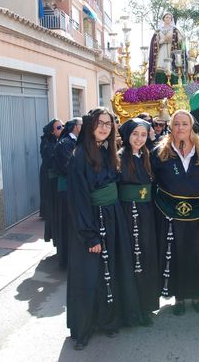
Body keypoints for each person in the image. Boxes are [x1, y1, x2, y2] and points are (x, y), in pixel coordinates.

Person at [66, 108, 140, 350]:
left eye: (108, 124)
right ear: (90, 126)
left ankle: (108, 319)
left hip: (112, 216)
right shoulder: (78, 156)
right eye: (99, 123)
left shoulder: (108, 152)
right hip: (91, 222)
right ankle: (84, 328)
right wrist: (89, 235)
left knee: (111, 270)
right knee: (89, 274)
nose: (104, 127)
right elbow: (78, 199)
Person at [151, 110, 199, 316]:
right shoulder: (160, 151)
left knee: (198, 252)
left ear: (191, 125)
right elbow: (152, 180)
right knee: (176, 254)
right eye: (176, 124)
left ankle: (197, 296)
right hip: (169, 212)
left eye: (184, 124)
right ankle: (179, 297)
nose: (180, 128)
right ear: (171, 126)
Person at [117, 118, 159, 326]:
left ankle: (145, 305)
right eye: (135, 134)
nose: (139, 139)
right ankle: (130, 308)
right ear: (127, 135)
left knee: (146, 257)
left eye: (143, 135)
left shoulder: (147, 156)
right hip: (126, 214)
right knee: (131, 259)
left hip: (146, 215)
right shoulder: (118, 158)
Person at [51, 117, 82, 269]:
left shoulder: (75, 142)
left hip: (73, 188)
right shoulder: (65, 144)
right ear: (75, 127)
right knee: (66, 224)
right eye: (82, 125)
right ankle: (66, 259)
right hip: (66, 189)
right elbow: (66, 167)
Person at [40, 118, 63, 242]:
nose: (62, 129)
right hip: (50, 179)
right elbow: (50, 159)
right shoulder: (47, 143)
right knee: (52, 206)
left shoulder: (60, 141)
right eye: (58, 127)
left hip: (55, 178)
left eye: (62, 126)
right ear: (53, 131)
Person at [148, 12, 185, 84]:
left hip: (171, 52)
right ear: (163, 19)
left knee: (172, 68)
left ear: (171, 20)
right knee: (160, 67)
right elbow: (154, 43)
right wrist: (162, 40)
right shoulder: (158, 31)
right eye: (166, 17)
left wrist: (182, 38)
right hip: (161, 51)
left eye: (170, 18)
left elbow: (180, 40)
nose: (168, 19)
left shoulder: (175, 30)